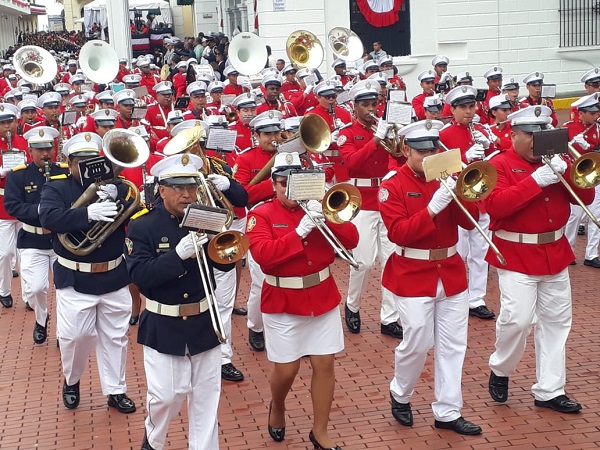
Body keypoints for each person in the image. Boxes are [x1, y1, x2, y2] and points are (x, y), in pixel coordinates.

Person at [246, 151, 358, 449]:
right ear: (273, 184)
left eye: (296, 184)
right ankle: (278, 406)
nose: (289, 190)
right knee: (287, 369)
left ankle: (319, 431)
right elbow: (265, 257)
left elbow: (352, 240)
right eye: (283, 183)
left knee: (325, 364)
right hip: (283, 299)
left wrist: (327, 217)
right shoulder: (261, 215)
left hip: (321, 295)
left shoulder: (319, 208)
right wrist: (299, 232)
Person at [484, 105, 591, 414]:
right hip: (516, 253)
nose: (537, 141)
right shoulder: (499, 164)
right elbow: (497, 206)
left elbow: (585, 198)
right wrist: (538, 180)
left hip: (554, 252)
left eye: (543, 133)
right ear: (513, 134)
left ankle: (550, 389)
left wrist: (567, 171)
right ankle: (501, 368)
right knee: (517, 320)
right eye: (531, 134)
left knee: (557, 323)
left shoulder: (558, 160)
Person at [379, 119, 483, 436]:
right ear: (407, 150)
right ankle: (401, 392)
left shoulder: (445, 176)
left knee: (453, 345)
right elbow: (399, 233)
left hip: (449, 270)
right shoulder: (392, 185)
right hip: (412, 272)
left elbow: (471, 223)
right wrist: (434, 207)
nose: (429, 156)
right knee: (417, 341)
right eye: (422, 151)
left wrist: (461, 191)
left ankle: (448, 411)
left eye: (433, 150)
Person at [125, 153, 235, 449]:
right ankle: (154, 439)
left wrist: (223, 242)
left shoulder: (205, 216)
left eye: (191, 187)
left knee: (206, 398)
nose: (187, 194)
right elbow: (140, 274)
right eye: (178, 188)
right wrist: (178, 255)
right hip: (164, 322)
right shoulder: (143, 225)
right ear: (162, 190)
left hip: (203, 321)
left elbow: (225, 265)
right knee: (165, 397)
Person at [39, 132, 137, 414]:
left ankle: (116, 391)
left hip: (114, 275)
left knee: (116, 337)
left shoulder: (118, 186)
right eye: (82, 161)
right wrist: (87, 214)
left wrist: (119, 199)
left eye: (94, 160)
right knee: (75, 338)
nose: (89, 166)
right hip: (75, 277)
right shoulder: (55, 189)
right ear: (69, 164)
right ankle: (72, 379)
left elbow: (136, 214)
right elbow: (49, 218)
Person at [338, 80, 404, 339]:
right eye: (365, 105)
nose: (371, 109)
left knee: (391, 260)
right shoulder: (347, 133)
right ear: (355, 108)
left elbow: (400, 157)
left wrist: (395, 139)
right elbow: (352, 162)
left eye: (374, 104)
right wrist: (375, 140)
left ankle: (390, 318)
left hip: (386, 198)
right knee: (363, 262)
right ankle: (352, 305)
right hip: (362, 200)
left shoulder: (384, 129)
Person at [4, 126, 67, 342]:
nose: (45, 154)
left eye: (48, 148)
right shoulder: (19, 175)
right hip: (32, 239)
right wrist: (41, 210)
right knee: (37, 288)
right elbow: (12, 206)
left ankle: (62, 331)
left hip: (61, 240)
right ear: (30, 151)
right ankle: (42, 318)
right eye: (39, 150)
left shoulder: (64, 171)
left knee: (65, 289)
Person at [439, 85, 496, 320]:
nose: (469, 112)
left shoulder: (481, 130)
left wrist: (490, 147)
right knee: (459, 251)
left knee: (481, 253)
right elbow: (439, 169)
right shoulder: (443, 135)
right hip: (458, 201)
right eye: (463, 107)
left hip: (481, 197)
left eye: (472, 106)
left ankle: (477, 299)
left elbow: (495, 162)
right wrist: (464, 159)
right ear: (452, 109)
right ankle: (458, 296)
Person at [233, 110, 285, 351]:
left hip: (289, 217)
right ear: (256, 135)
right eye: (267, 134)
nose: (273, 137)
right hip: (259, 219)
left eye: (276, 132)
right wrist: (274, 184)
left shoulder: (291, 156)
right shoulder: (246, 159)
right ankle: (256, 326)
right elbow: (242, 194)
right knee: (262, 280)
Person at [563, 93, 600, 266]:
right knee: (573, 216)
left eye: (596, 112)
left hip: (594, 174)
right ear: (581, 113)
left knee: (596, 216)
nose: (596, 116)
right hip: (575, 175)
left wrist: (591, 148)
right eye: (592, 113)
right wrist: (571, 144)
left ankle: (591, 254)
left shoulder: (598, 129)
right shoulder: (568, 128)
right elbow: (560, 153)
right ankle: (568, 251)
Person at [0, 102, 28, 308]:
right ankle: (4, 290)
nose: (6, 126)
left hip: (22, 202)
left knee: (26, 253)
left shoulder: (25, 143)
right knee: (6, 253)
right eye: (2, 123)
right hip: (1, 204)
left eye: (9, 121)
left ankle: (28, 296)